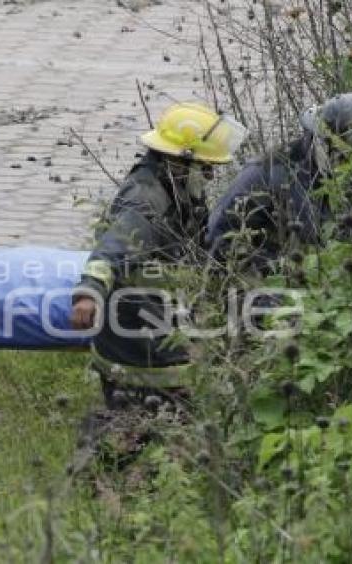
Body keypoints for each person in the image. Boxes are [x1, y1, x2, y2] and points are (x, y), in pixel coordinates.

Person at [70, 102, 246, 408]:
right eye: (205, 168)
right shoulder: (147, 201)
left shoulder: (174, 192)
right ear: (180, 162)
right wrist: (89, 292)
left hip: (155, 322)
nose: (208, 176)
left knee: (147, 428)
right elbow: (113, 248)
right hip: (138, 337)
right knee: (147, 424)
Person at [206, 92, 352, 273]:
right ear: (324, 145)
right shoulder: (266, 173)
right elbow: (220, 244)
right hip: (277, 278)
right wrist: (285, 268)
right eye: (346, 158)